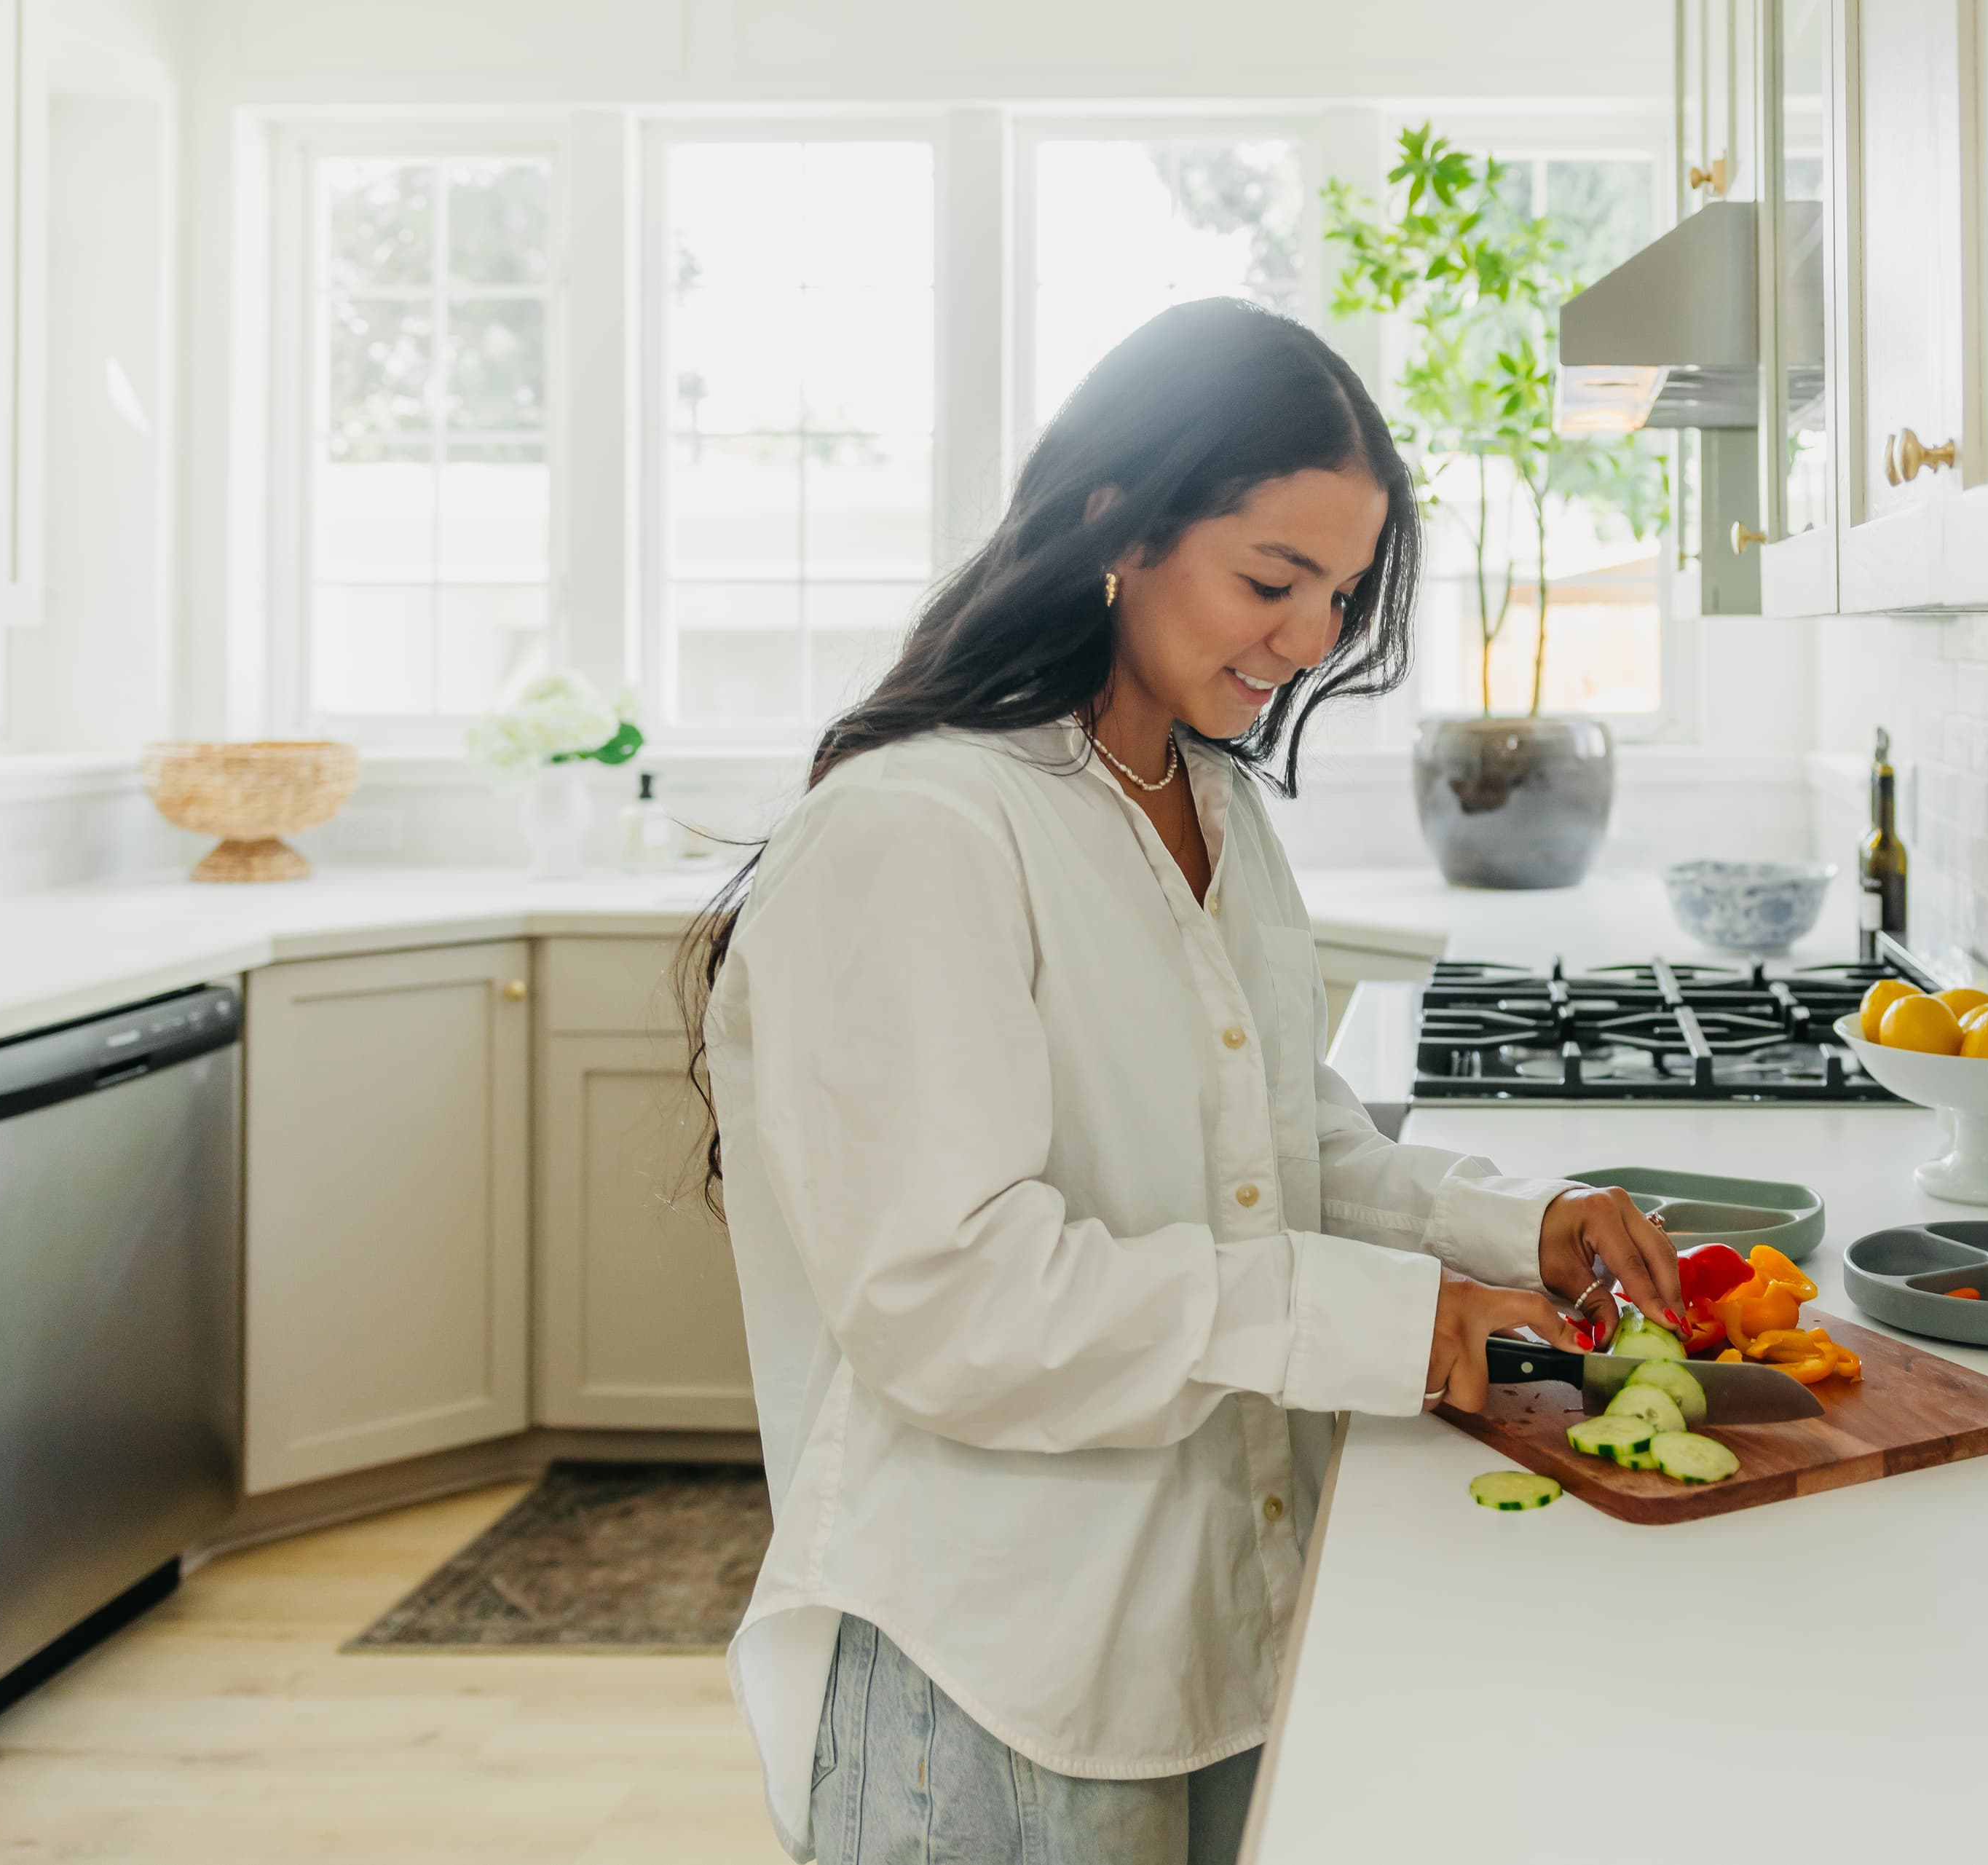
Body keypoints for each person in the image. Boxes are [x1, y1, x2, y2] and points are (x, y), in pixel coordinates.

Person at [683, 297, 1686, 1865]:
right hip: (1003, 1676)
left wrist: (1520, 1228)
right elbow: (955, 1301)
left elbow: (1287, 1144)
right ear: (1115, 522)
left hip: (1223, 1621)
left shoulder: (1206, 797)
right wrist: (1392, 1328)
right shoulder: (918, 831)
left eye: (1340, 594)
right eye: (1271, 580)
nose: (1309, 640)